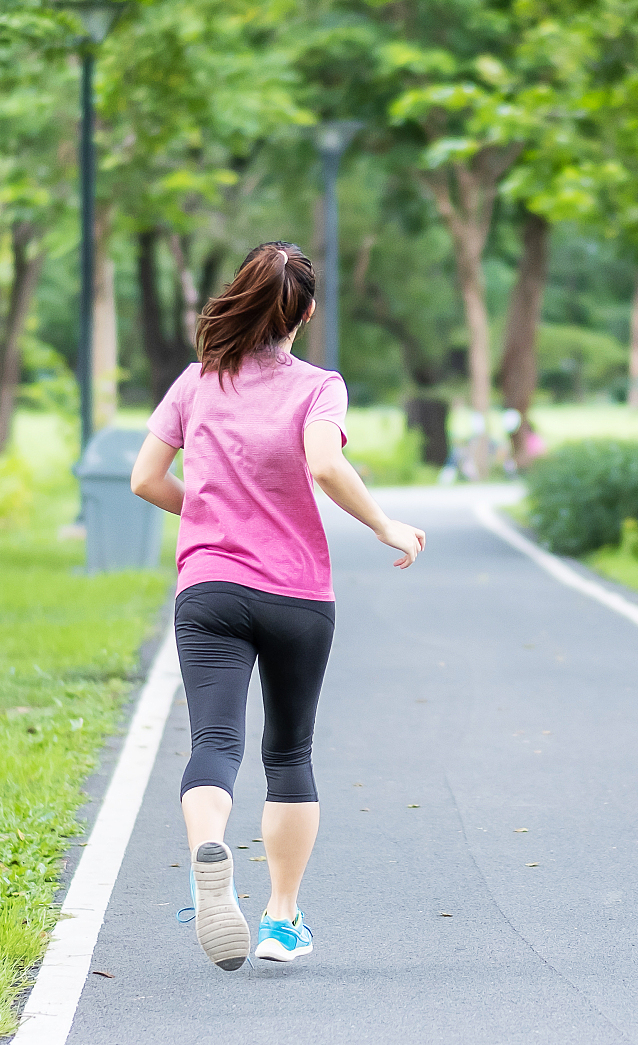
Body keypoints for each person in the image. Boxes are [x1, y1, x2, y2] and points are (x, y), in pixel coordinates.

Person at [130, 241, 425, 973]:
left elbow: (144, 479)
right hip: (296, 593)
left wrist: (209, 514)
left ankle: (209, 852)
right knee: (289, 752)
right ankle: (281, 919)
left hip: (210, 588)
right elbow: (324, 462)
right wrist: (385, 525)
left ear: (240, 295)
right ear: (307, 312)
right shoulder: (318, 387)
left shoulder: (196, 382)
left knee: (214, 741)